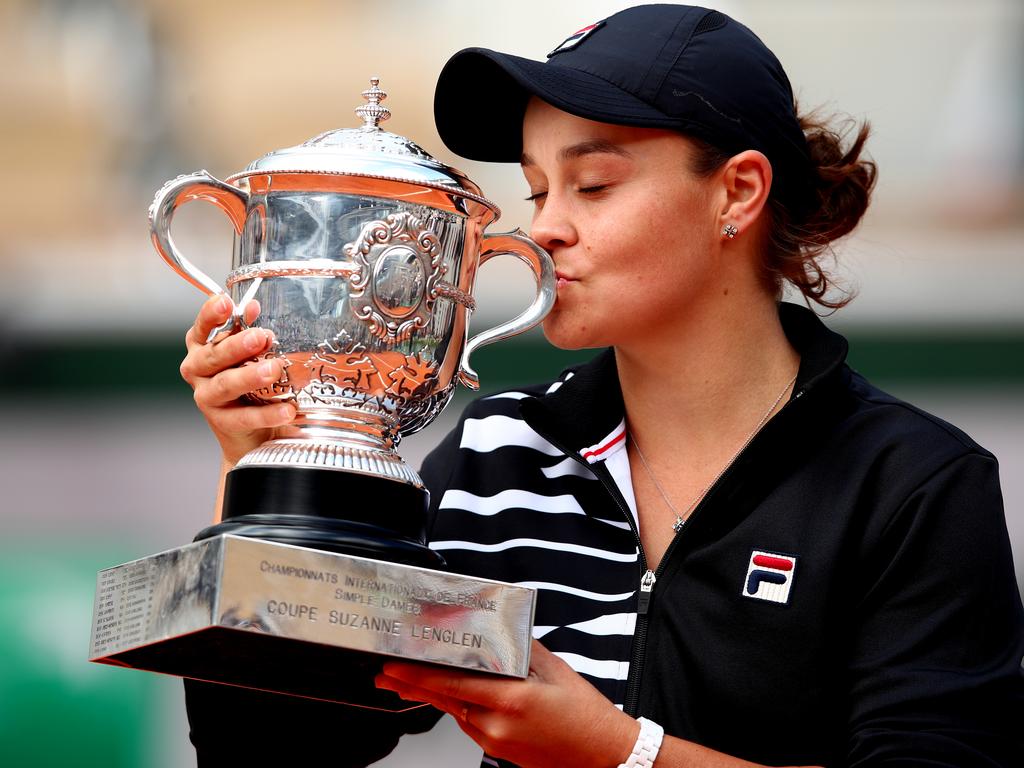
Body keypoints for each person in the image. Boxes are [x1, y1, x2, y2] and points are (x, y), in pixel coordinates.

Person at [178, 5, 1024, 767]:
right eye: (537, 189)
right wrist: (268, 476)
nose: (544, 227)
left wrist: (623, 755)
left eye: (593, 185)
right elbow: (271, 749)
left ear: (737, 191)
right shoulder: (502, 453)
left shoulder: (912, 484)